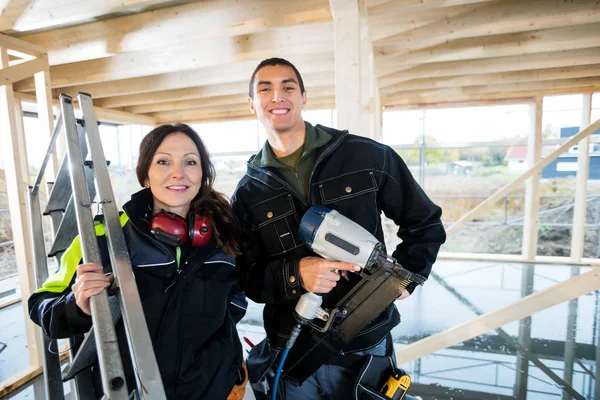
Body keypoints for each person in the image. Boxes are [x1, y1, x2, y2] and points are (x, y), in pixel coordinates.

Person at [232, 58, 447, 399]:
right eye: (265, 89)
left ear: (303, 96)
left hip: (364, 345)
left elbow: (424, 222)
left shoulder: (365, 156)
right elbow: (247, 276)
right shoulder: (248, 193)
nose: (278, 96)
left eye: (288, 87)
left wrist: (404, 279)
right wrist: (295, 275)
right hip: (293, 354)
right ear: (252, 104)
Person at [29, 123, 247, 399]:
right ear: (145, 175)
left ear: (202, 173)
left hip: (216, 390)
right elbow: (41, 304)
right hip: (134, 392)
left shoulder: (223, 236)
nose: (178, 173)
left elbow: (236, 300)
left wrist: (219, 358)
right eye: (163, 161)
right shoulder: (103, 237)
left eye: (190, 162)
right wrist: (78, 307)